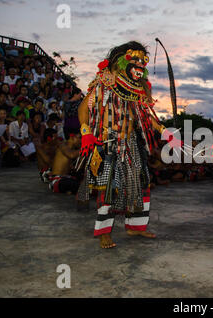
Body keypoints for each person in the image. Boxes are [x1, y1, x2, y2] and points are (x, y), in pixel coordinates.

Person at [76, 41, 181, 249]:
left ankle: (136, 226)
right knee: (108, 188)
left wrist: (164, 131)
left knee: (140, 183)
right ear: (121, 60)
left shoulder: (138, 89)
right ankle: (104, 232)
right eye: (136, 59)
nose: (141, 64)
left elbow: (145, 115)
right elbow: (84, 108)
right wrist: (86, 132)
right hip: (108, 142)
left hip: (132, 143)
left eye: (144, 60)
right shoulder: (106, 81)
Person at [49, 130, 81, 194]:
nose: (81, 141)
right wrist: (85, 148)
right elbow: (72, 155)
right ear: (72, 137)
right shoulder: (63, 145)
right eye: (80, 138)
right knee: (81, 186)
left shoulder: (72, 149)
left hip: (65, 178)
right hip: (57, 181)